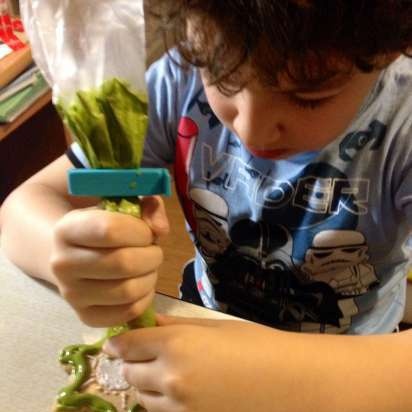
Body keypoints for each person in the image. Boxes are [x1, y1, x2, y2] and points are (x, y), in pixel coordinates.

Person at [1, 1, 412, 411]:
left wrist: (269, 376)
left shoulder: (403, 122)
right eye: (223, 78)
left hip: (351, 367)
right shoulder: (176, 80)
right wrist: (63, 248)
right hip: (201, 319)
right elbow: (23, 206)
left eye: (309, 97)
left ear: (391, 49)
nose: (251, 127)